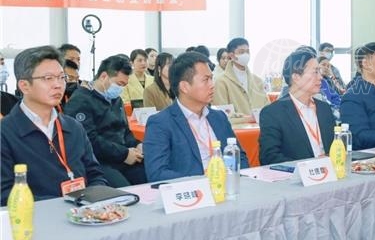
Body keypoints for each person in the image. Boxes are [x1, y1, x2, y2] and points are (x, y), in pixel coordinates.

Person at [1, 46, 106, 205]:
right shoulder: (5, 133)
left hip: (85, 213)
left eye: (62, 77)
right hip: (37, 217)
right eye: (48, 78)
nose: (58, 85)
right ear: (24, 86)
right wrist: (65, 205)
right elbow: (5, 194)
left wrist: (94, 203)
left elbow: (95, 174)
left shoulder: (74, 127)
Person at [144, 52, 248, 182]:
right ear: (184, 87)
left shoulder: (219, 117)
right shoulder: (161, 123)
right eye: (206, 80)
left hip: (228, 186)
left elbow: (240, 158)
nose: (212, 85)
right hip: (192, 190)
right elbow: (157, 173)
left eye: (211, 78)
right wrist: (203, 180)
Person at [64, 55, 146, 187]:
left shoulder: (116, 99)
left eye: (124, 85)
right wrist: (124, 154)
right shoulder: (80, 101)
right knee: (125, 189)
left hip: (123, 156)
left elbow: (125, 130)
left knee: (150, 178)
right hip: (99, 161)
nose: (121, 89)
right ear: (103, 76)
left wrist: (137, 145)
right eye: (119, 84)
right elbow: (90, 140)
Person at [259, 50, 336, 165]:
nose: (320, 77)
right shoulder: (273, 113)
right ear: (296, 77)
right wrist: (307, 166)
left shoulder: (324, 109)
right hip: (297, 174)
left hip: (330, 172)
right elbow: (269, 157)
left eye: (320, 72)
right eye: (315, 72)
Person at [213, 38, 268, 120]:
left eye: (247, 52)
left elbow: (267, 108)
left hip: (260, 126)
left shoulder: (258, 81)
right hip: (236, 127)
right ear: (231, 55)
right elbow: (223, 114)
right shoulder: (221, 82)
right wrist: (248, 118)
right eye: (241, 52)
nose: (246, 55)